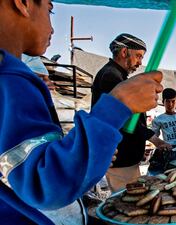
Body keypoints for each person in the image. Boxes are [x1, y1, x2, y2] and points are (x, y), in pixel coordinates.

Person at [0, 1, 163, 224]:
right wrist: (120, 102)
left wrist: (78, 148)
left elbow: (23, 158)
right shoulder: (9, 80)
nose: (53, 29)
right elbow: (44, 182)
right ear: (23, 3)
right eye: (50, 9)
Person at [91, 33, 171, 192]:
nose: (140, 62)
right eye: (138, 56)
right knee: (127, 204)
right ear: (123, 52)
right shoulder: (111, 76)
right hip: (121, 159)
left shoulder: (117, 76)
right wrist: (155, 139)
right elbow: (127, 118)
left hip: (127, 159)